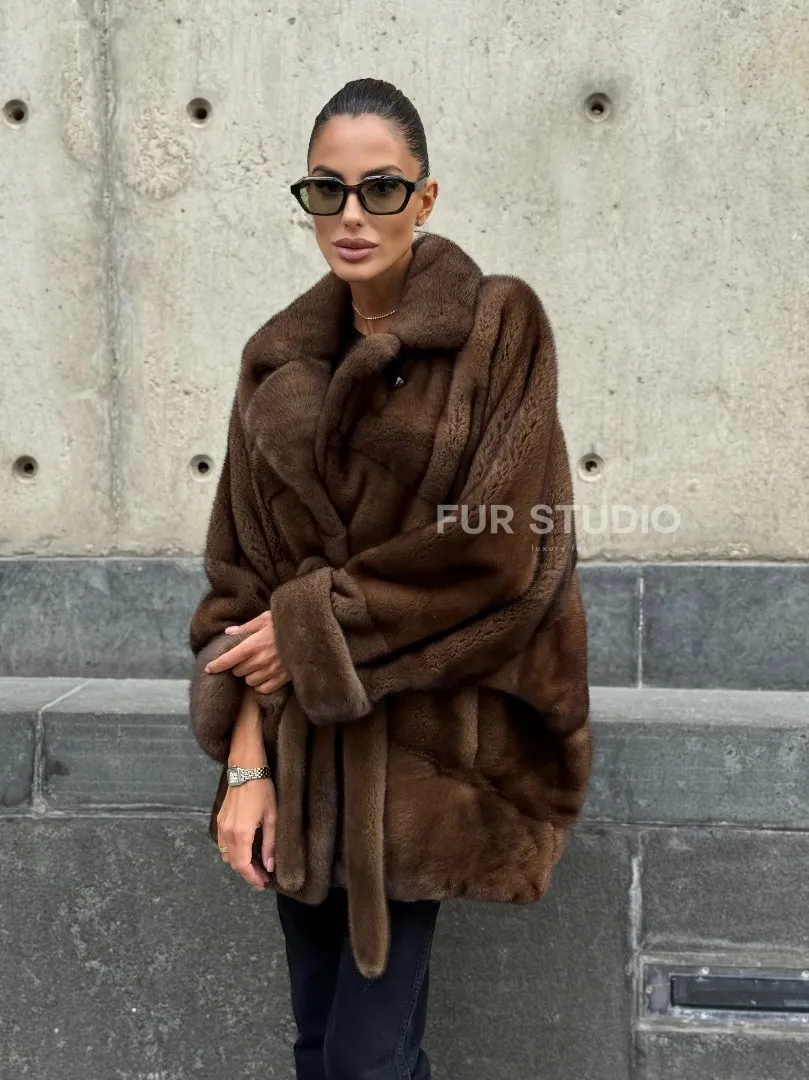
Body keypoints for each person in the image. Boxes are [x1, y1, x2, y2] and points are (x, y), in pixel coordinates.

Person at [188, 77, 592, 1080]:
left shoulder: (495, 328)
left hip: (425, 756)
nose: (352, 215)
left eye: (380, 187)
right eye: (326, 189)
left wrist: (315, 629)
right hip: (296, 759)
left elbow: (503, 550)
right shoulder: (273, 363)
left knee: (364, 1061)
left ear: (425, 195)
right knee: (320, 1050)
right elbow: (239, 583)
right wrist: (245, 767)